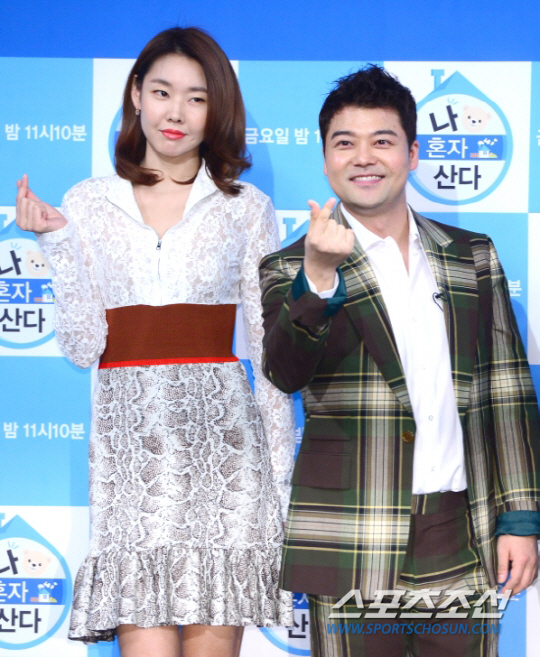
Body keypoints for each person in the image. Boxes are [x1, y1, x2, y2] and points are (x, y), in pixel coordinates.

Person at [16, 26, 295, 657]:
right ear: (136, 95)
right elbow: (84, 346)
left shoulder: (246, 207)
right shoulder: (88, 203)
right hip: (131, 463)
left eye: (197, 98)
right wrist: (57, 243)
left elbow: (268, 352)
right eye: (163, 92)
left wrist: (278, 479)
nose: (177, 113)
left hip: (226, 461)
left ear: (217, 110)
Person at [258, 64, 540, 657]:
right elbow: (284, 372)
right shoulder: (291, 266)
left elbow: (507, 391)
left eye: (382, 141)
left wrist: (519, 517)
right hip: (351, 535)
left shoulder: (471, 256)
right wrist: (319, 277)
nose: (364, 157)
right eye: (345, 143)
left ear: (411, 154)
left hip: (460, 532)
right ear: (326, 159)